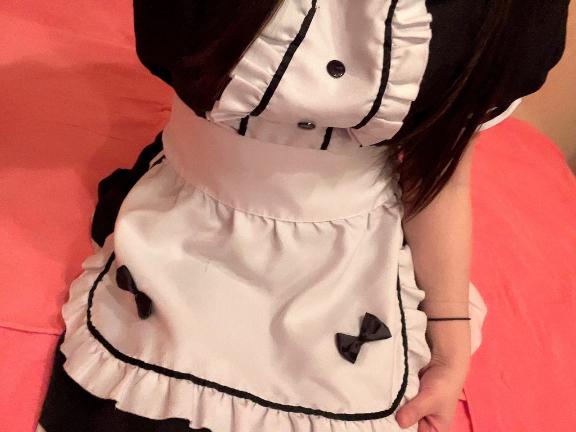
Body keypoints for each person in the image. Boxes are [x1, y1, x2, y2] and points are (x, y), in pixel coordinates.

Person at [36, 1, 570, 431]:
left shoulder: (502, 16)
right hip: (185, 221)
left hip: (357, 249)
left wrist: (448, 336)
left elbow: (440, 169)